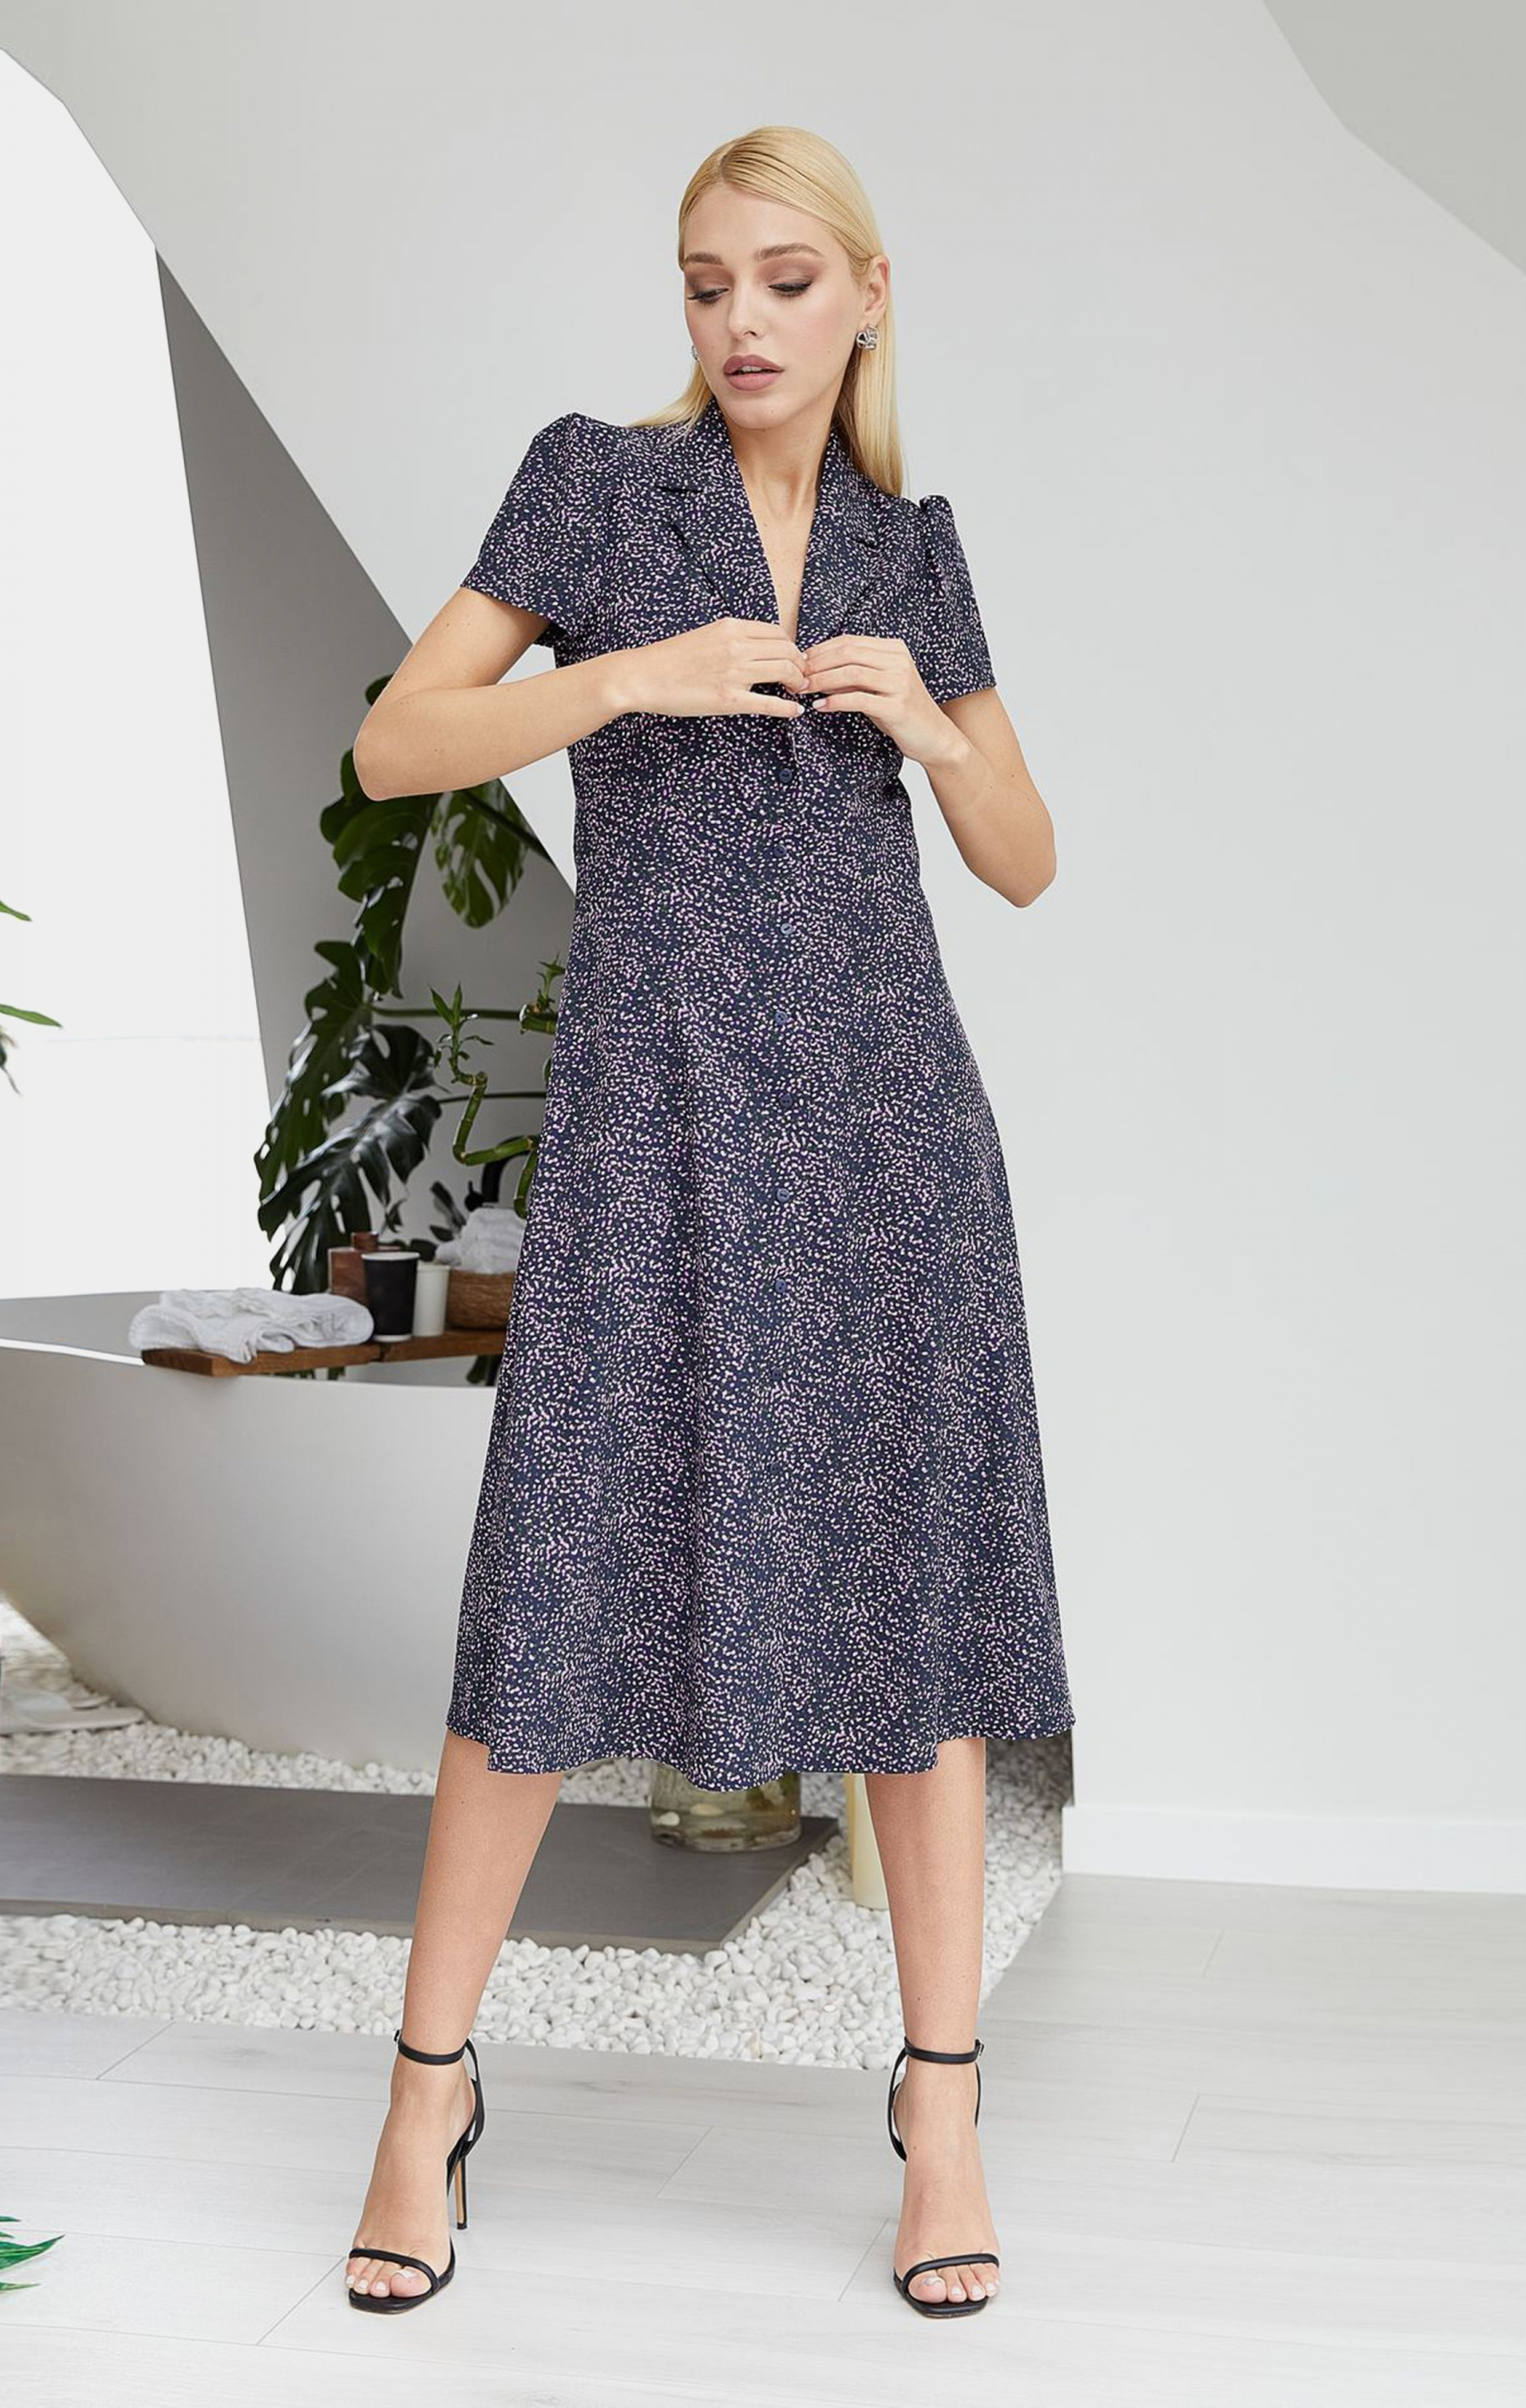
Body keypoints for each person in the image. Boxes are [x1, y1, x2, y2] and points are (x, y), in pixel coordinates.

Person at [342, 122, 1074, 2321]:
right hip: (654, 1131)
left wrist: (931, 732)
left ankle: (941, 2113)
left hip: (881, 1135)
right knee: (544, 1608)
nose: (738, 322)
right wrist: (615, 680)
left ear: (864, 295)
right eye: (702, 283)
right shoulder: (592, 484)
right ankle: (420, 2100)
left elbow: (1024, 860)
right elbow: (396, 745)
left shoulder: (909, 548)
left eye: (780, 280)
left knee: (907, 1628)